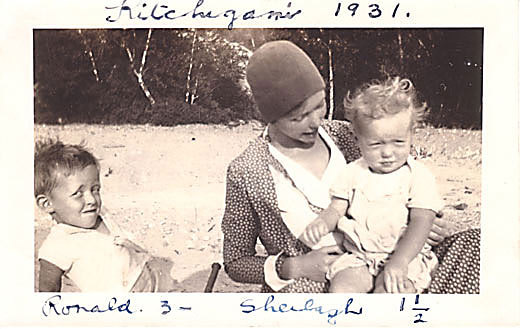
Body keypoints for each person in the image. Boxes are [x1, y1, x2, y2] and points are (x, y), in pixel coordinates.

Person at [221, 40, 480, 294]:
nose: (315, 122)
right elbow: (235, 262)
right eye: (298, 117)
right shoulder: (247, 171)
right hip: (320, 284)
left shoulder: (348, 135)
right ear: (270, 116)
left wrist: (431, 226)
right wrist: (295, 266)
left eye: (320, 105)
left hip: (399, 261)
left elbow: (405, 185)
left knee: (478, 245)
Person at [301, 77, 441, 293]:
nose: (387, 153)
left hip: (405, 257)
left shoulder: (418, 176)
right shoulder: (353, 172)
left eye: (398, 142)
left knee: (390, 294)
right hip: (359, 256)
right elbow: (337, 208)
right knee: (341, 291)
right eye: (375, 144)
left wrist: (400, 261)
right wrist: (323, 222)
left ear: (411, 135)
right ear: (358, 140)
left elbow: (422, 222)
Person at [35, 139, 176, 292]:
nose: (91, 200)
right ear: (46, 204)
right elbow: (47, 294)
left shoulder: (101, 216)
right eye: (78, 194)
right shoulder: (56, 246)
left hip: (154, 280)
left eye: (95, 189)